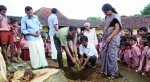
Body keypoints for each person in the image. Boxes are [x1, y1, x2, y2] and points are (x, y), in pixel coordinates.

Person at [101, 4, 122, 79]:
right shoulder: (107, 17)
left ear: (110, 10)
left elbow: (117, 28)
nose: (105, 14)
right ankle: (107, 71)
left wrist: (110, 37)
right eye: (104, 12)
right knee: (105, 54)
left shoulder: (116, 16)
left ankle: (114, 74)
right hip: (106, 38)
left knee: (112, 56)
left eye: (106, 12)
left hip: (113, 38)